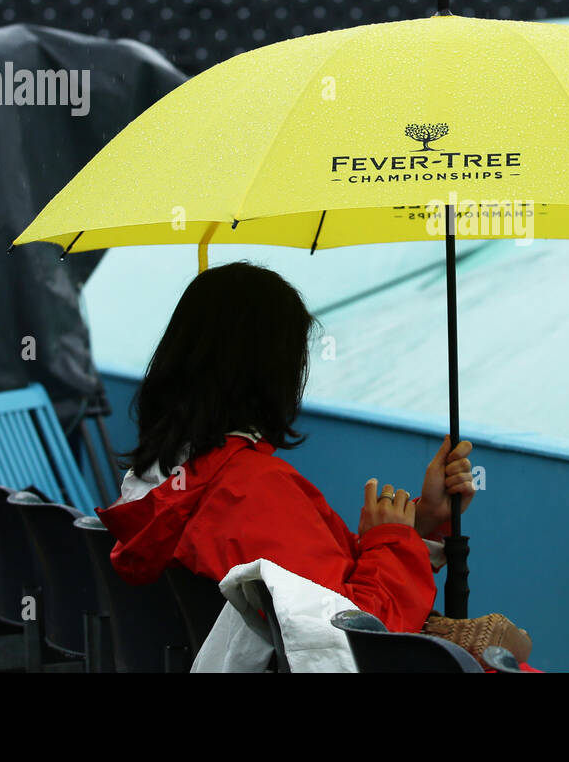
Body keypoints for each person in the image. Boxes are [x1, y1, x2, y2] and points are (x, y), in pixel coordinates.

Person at [97, 263, 478, 640]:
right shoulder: (252, 491)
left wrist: (422, 522)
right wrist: (392, 540)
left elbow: (312, 588)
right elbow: (354, 634)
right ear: (272, 372)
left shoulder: (164, 483)